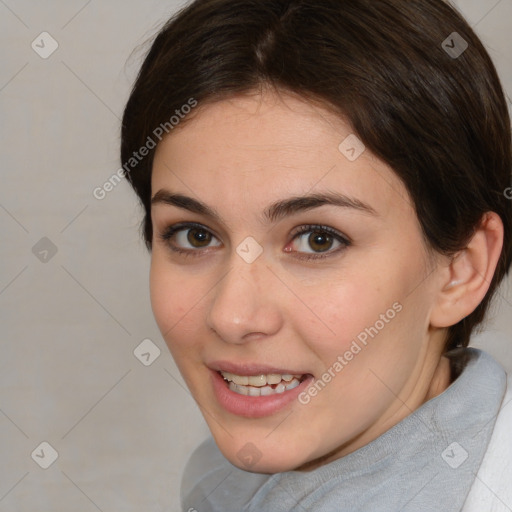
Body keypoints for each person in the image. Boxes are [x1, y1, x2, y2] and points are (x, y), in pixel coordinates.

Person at [120, 0, 512, 510]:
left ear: (462, 268)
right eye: (195, 235)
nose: (232, 316)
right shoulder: (219, 487)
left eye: (317, 240)